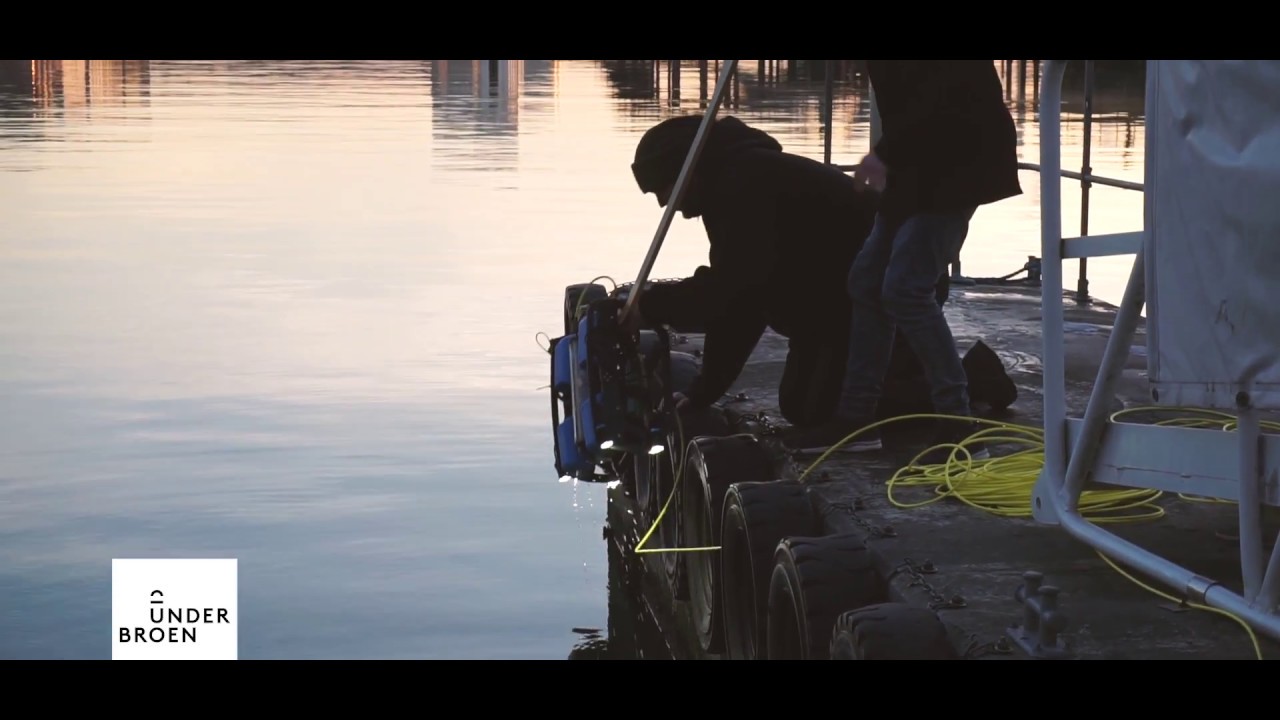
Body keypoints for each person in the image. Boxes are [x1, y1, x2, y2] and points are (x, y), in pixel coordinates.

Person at [622, 114, 1016, 429]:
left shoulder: (744, 186)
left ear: (687, 171)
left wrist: (652, 308)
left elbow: (731, 296)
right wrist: (705, 392)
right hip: (826, 305)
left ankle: (974, 378)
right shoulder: (730, 183)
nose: (664, 204)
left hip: (867, 296)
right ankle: (910, 363)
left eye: (664, 188)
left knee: (816, 410)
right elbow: (744, 304)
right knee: (800, 403)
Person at [781, 60, 1024, 462]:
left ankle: (957, 422)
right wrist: (890, 155)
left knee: (905, 289)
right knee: (867, 281)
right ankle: (857, 419)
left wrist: (883, 154)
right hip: (917, 161)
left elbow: (948, 99)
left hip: (960, 160)